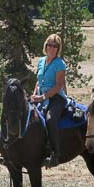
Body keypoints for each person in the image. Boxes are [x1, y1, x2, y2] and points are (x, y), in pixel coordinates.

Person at [30, 34, 67, 168]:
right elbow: (38, 82)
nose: (52, 48)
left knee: (50, 119)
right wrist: (34, 96)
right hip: (40, 96)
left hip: (56, 98)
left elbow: (58, 85)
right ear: (46, 46)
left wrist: (42, 97)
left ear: (58, 49)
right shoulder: (41, 61)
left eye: (55, 46)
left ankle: (55, 154)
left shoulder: (60, 64)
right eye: (50, 45)